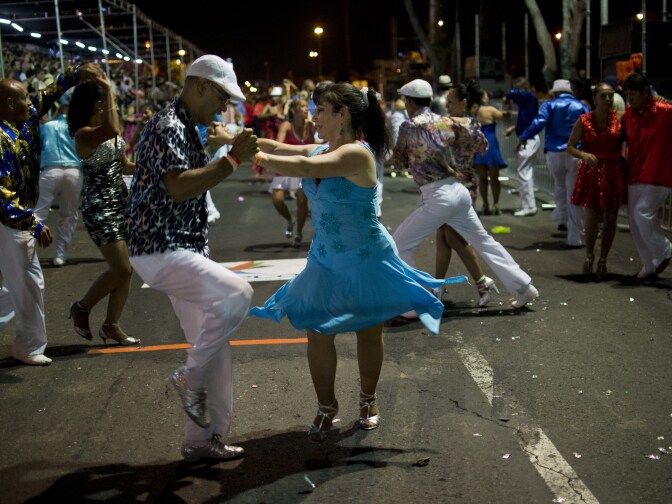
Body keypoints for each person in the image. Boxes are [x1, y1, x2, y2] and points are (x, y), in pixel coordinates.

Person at [250, 81, 458, 442]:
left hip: (365, 257)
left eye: (321, 110)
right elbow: (280, 146)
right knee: (317, 330)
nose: (314, 117)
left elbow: (296, 163)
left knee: (368, 330)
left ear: (343, 114)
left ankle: (367, 400)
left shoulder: (358, 155)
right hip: (326, 260)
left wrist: (260, 159)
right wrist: (235, 142)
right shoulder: (322, 149)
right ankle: (326, 406)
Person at [125, 55, 257, 462]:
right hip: (161, 248)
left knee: (214, 347)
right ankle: (188, 376)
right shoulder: (168, 126)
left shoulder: (186, 125)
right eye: (221, 96)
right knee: (237, 294)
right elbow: (179, 187)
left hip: (181, 247)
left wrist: (222, 147)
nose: (224, 106)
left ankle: (200, 442)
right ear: (199, 86)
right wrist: (232, 160)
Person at [392, 79, 539, 310]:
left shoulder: (409, 127)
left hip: (438, 196)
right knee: (485, 242)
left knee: (398, 246)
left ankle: (418, 301)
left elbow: (399, 162)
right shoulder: (447, 122)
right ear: (430, 101)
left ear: (409, 102)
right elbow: (481, 145)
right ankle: (524, 287)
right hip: (458, 192)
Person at [0, 62, 99, 366]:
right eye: (24, 99)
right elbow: (2, 195)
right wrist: (33, 223)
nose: (31, 103)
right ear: (7, 103)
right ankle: (28, 345)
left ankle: (28, 343)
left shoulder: (25, 121)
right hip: (10, 222)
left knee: (16, 283)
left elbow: (49, 93)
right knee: (28, 283)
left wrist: (76, 74)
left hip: (17, 218)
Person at [67, 74, 138, 345]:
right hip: (99, 208)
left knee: (126, 268)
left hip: (121, 204)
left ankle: (112, 325)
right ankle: (81, 308)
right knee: (122, 269)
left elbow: (124, 165)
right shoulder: (84, 134)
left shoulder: (109, 134)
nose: (115, 107)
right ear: (97, 105)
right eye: (110, 103)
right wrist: (109, 88)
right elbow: (111, 129)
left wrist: (151, 168)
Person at [433, 81, 499, 306]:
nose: (448, 106)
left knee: (452, 235)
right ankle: (437, 286)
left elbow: (483, 148)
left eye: (451, 103)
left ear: (464, 103)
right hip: (451, 184)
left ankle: (482, 283)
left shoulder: (460, 125)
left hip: (461, 185)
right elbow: (482, 147)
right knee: (443, 236)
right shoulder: (465, 124)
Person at [518, 79, 589, 247]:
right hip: (575, 153)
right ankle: (575, 236)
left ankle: (561, 217)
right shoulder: (581, 106)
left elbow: (539, 122)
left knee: (559, 185)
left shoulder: (549, 105)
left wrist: (523, 137)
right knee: (574, 193)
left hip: (554, 153)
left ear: (555, 92)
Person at [567, 82, 627, 278]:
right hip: (592, 170)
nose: (608, 100)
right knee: (591, 216)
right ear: (595, 98)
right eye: (604, 96)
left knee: (611, 217)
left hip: (614, 170)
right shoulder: (584, 120)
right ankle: (590, 255)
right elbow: (570, 146)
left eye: (611, 96)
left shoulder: (620, 118)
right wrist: (583, 155)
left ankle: (603, 259)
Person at [621, 72, 672, 280]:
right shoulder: (629, 115)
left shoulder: (666, 111)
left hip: (660, 172)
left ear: (645, 92)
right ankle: (649, 265)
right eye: (627, 95)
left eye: (633, 94)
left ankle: (664, 249)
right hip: (636, 172)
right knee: (634, 221)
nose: (630, 99)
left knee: (642, 212)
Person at [34, 97, 83, 267]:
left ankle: (27, 253)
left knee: (38, 212)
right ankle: (60, 255)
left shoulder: (47, 126)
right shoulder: (77, 127)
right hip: (73, 171)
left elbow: (38, 148)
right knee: (69, 214)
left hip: (50, 170)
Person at [271, 98, 313, 247]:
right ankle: (290, 220)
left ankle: (299, 233)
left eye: (307, 106)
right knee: (277, 199)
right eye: (302, 106)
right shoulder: (286, 125)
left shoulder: (311, 126)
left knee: (302, 201)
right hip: (286, 166)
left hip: (303, 168)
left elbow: (317, 144)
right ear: (294, 111)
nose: (306, 109)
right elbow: (277, 145)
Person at [503, 77, 541, 217]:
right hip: (528, 138)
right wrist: (513, 129)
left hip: (528, 140)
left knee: (524, 174)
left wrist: (507, 96)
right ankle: (529, 205)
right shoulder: (526, 105)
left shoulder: (529, 98)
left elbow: (514, 93)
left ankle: (529, 206)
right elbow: (527, 122)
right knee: (526, 173)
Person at [473, 89, 508, 215]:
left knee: (482, 178)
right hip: (491, 142)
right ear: (483, 98)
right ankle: (496, 204)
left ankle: (485, 204)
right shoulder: (490, 110)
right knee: (494, 177)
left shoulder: (474, 111)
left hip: (478, 143)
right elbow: (504, 117)